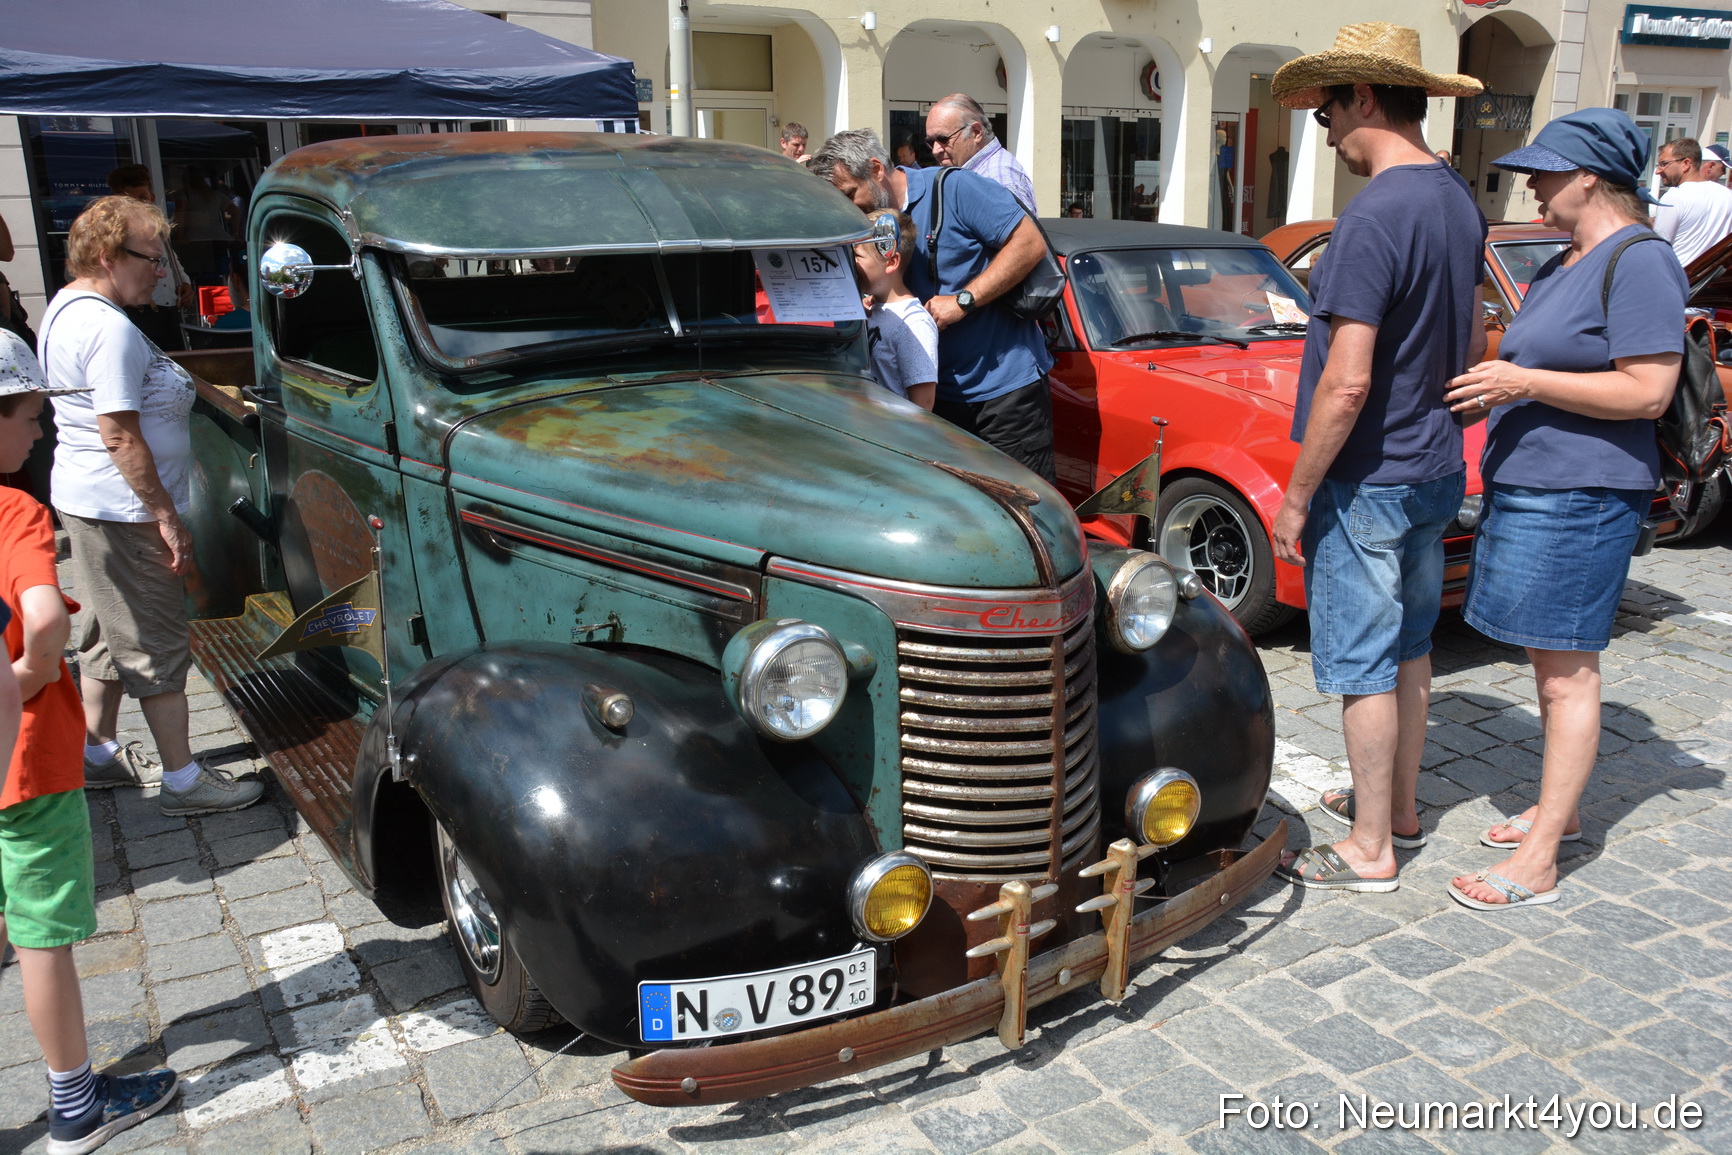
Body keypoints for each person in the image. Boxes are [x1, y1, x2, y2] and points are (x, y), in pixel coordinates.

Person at [1442, 109, 1684, 910]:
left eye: (1543, 172)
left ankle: (1543, 854)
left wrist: (1523, 382)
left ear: (1588, 176)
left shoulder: (1639, 260)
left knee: (1566, 674)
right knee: (1550, 666)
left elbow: (1647, 392)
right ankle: (1561, 808)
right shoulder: (1566, 258)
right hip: (1540, 486)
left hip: (1584, 495)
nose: (1531, 187)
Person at [1265, 23, 1487, 892]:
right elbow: (1472, 331)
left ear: (1363, 97)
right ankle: (1397, 807)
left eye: (1326, 113)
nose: (1325, 134)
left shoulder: (1373, 216)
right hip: (1434, 464)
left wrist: (1295, 495)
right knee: (1411, 648)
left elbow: (1347, 382)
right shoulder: (1455, 198)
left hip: (1370, 477)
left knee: (1363, 664)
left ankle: (1369, 847)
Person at [0, 330, 182, 1152]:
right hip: (29, 760)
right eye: (28, 415)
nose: (39, 430)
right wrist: (28, 677)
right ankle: (75, 1103)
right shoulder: (14, 512)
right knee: (41, 935)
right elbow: (43, 622)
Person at [40, 196, 264, 816]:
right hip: (124, 511)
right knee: (156, 642)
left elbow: (132, 393)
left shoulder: (70, 305)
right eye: (151, 258)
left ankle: (96, 753)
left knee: (105, 630)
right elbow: (118, 434)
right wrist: (166, 517)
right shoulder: (107, 328)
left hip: (90, 502)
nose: (162, 272)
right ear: (107, 256)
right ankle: (183, 781)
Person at [811, 128, 1056, 481]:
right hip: (939, 405)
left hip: (1002, 397)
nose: (849, 208)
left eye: (850, 194)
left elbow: (1030, 243)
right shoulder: (870, 223)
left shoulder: (955, 188)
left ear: (876, 169)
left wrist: (964, 301)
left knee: (1024, 504)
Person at [854, 209, 937, 411]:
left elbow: (924, 404)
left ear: (891, 261)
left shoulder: (914, 323)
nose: (851, 262)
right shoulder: (870, 308)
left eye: (857, 255)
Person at [104, 166, 193, 353]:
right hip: (139, 313)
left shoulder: (156, 228)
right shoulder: (112, 234)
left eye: (143, 198)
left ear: (152, 198)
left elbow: (170, 260)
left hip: (170, 313)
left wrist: (184, 282)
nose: (140, 206)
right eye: (132, 201)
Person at [925, 94, 1037, 214]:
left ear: (976, 132)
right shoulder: (976, 175)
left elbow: (1021, 227)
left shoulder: (998, 178)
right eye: (931, 142)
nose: (935, 150)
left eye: (943, 139)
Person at [1652, 138, 1732, 264]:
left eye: (1664, 164)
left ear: (1686, 164)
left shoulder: (1674, 197)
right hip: (1711, 273)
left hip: (1679, 272)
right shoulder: (1727, 195)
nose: (1658, 171)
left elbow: (1658, 247)